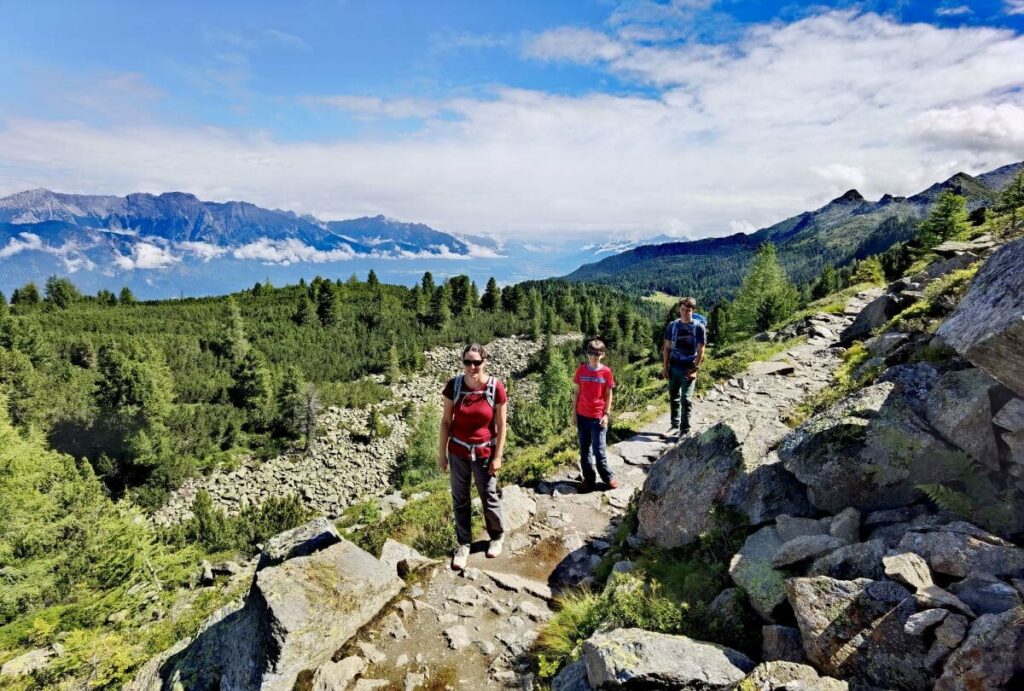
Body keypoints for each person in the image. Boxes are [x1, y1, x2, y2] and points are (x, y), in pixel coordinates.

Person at [438, 343, 507, 571]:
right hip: (458, 452)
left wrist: (498, 456)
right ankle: (464, 543)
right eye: (467, 362)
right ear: (463, 362)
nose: (472, 366)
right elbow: (446, 421)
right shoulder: (454, 386)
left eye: (476, 362)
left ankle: (496, 536)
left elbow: (501, 424)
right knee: (460, 499)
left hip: (485, 452)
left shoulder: (495, 387)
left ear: (484, 361)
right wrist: (442, 454)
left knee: (488, 494)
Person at [571, 338, 618, 492]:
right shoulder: (581, 370)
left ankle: (608, 477)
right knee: (584, 451)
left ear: (603, 354)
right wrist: (574, 414)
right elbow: (576, 393)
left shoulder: (606, 372)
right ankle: (589, 479)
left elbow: (608, 394)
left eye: (597, 353)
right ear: (587, 353)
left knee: (599, 451)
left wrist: (606, 414)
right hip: (582, 415)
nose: (594, 356)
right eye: (591, 353)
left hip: (598, 417)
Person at [662, 297, 706, 438]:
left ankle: (684, 430)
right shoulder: (672, 326)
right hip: (674, 365)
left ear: (694, 310)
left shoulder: (699, 327)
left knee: (685, 399)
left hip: (688, 367)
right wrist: (665, 366)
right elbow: (667, 347)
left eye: (688, 310)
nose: (685, 313)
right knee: (674, 397)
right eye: (682, 309)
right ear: (679, 309)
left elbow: (701, 350)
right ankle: (674, 426)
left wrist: (694, 369)